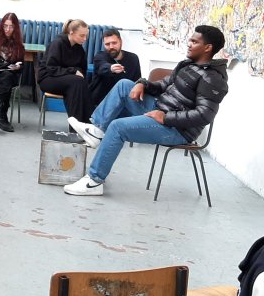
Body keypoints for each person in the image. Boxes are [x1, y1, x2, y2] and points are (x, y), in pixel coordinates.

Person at [65, 25, 229, 197]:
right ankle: (97, 132)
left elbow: (204, 115)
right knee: (124, 85)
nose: (189, 44)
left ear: (207, 48)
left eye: (194, 42)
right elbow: (163, 85)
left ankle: (94, 181)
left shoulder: (212, 78)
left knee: (117, 127)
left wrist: (166, 118)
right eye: (190, 40)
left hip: (177, 129)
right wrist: (142, 83)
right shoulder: (187, 65)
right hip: (160, 109)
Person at [37, 19, 95, 125]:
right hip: (47, 78)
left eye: (86, 36)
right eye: (82, 35)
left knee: (80, 84)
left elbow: (82, 69)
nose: (85, 39)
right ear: (71, 33)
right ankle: (80, 125)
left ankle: (84, 125)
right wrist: (73, 71)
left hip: (67, 81)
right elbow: (51, 68)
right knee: (77, 82)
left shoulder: (80, 49)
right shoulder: (57, 43)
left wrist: (76, 72)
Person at [90, 28, 142, 105]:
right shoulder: (99, 56)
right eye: (107, 44)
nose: (111, 46)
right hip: (102, 101)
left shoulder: (133, 58)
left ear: (121, 41)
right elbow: (102, 66)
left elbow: (137, 80)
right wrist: (111, 68)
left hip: (125, 102)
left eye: (114, 43)